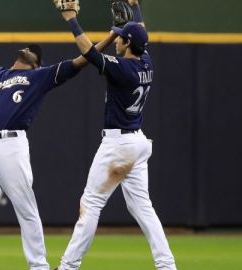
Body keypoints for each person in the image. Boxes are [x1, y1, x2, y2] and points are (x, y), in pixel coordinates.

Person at [0, 3, 117, 270]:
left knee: (26, 209)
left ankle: (38, 266)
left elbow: (82, 61)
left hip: (10, 144)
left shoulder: (40, 77)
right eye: (27, 48)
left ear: (36, 63)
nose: (27, 50)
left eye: (33, 52)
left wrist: (112, 37)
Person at [53, 1, 177, 269]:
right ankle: (167, 265)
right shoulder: (145, 60)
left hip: (118, 145)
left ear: (127, 43)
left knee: (91, 204)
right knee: (144, 209)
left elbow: (87, 51)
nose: (117, 41)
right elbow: (140, 31)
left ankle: (67, 266)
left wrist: (71, 19)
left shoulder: (123, 69)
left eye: (121, 38)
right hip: (137, 143)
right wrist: (136, 7)